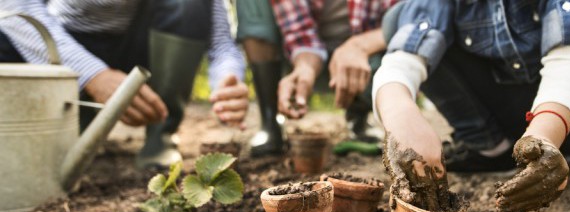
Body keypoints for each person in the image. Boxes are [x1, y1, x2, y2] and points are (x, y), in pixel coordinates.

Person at [376, 0, 570, 212]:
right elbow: (405, 58)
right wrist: (401, 113)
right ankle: (491, 147)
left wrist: (543, 135)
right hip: (518, 122)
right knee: (397, 18)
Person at [0, 0, 247, 170]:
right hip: (67, 45)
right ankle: (70, 124)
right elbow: (15, 9)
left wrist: (227, 81)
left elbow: (221, 43)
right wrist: (93, 75)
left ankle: (160, 135)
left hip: (141, 49)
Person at [235, 0, 399, 157]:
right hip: (301, 58)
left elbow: (411, 17)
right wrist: (305, 68)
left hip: (369, 60)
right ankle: (269, 121)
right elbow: (300, 33)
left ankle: (359, 116)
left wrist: (359, 47)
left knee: (403, 42)